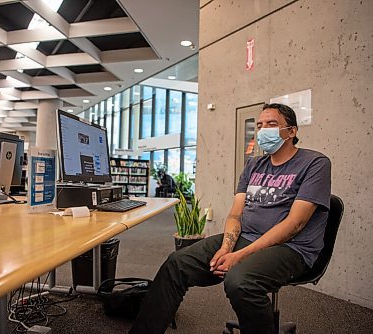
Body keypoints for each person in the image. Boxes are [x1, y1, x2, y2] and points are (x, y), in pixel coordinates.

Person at [130, 103, 331, 334]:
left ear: (292, 131)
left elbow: (295, 223)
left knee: (240, 281)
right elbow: (236, 213)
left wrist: (240, 255)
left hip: (291, 248)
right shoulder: (254, 164)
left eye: (272, 124)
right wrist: (226, 247)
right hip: (245, 237)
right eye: (260, 125)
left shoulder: (315, 163)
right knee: (176, 263)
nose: (263, 130)